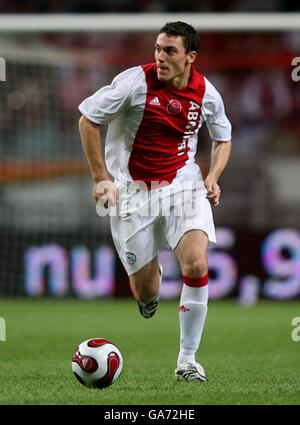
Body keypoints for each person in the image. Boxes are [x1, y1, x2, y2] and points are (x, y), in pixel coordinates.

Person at [78, 21, 232, 382]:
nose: (160, 57)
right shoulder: (134, 82)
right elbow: (88, 120)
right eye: (158, 49)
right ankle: (150, 289)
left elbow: (223, 137)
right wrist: (101, 177)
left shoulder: (206, 92)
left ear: (190, 57)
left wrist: (212, 176)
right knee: (145, 291)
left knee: (195, 263)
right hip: (132, 193)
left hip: (184, 186)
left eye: (170, 51)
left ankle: (187, 360)